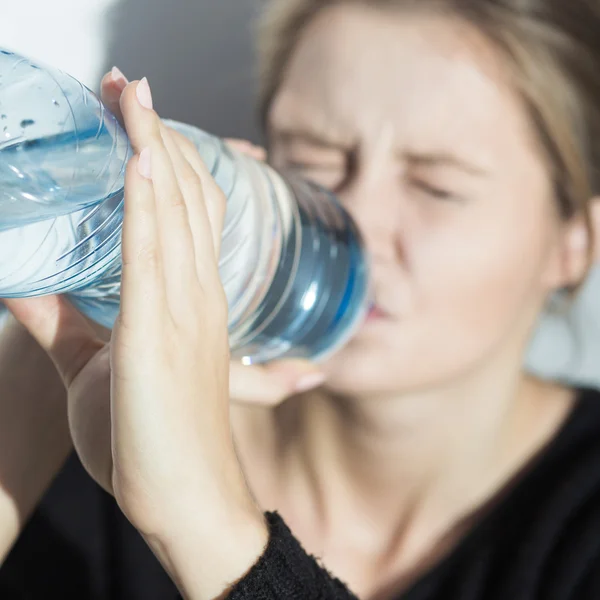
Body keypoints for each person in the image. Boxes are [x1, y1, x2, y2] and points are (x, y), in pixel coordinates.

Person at [1, 0, 600, 598]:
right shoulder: (98, 427)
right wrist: (29, 389)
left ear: (575, 243)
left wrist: (205, 522)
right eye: (315, 156)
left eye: (436, 186)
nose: (358, 218)